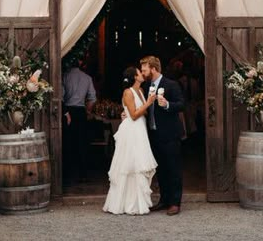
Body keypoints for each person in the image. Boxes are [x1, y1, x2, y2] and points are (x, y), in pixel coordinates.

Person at [103, 67, 157, 214]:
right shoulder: (128, 92)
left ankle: (138, 203)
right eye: (139, 72)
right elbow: (133, 115)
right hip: (131, 130)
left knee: (138, 164)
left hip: (140, 129)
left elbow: (141, 111)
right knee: (130, 165)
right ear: (135, 77)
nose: (142, 74)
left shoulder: (140, 91)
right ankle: (124, 203)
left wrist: (143, 106)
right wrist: (149, 102)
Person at [140, 55, 185, 215]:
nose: (143, 72)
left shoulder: (171, 85)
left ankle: (175, 203)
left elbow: (181, 104)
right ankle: (164, 200)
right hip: (153, 134)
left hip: (170, 134)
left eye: (145, 69)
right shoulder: (145, 86)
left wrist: (167, 104)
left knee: (173, 169)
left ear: (153, 69)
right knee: (161, 170)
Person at [62, 60, 97, 183]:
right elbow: (92, 98)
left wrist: (65, 112)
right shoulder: (87, 78)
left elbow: (61, 96)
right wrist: (87, 110)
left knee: (67, 143)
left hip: (68, 112)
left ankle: (66, 174)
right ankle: (83, 174)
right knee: (82, 143)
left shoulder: (64, 76)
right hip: (81, 111)